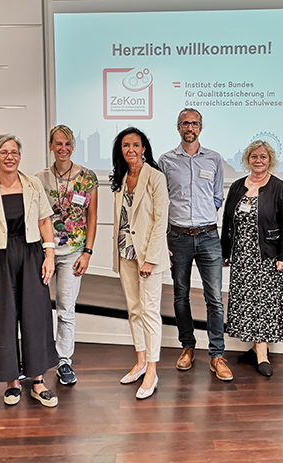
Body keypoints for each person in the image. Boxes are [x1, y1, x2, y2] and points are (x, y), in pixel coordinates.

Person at [0, 134, 60, 408]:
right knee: (3, 318)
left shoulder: (33, 184)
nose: (9, 157)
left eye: (14, 152)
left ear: (20, 156)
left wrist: (50, 255)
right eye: (3, 152)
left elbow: (45, 220)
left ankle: (37, 381)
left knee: (36, 316)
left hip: (32, 253)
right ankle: (11, 381)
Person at [158, 108, 232, 381]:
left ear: (201, 127)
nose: (190, 127)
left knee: (214, 298)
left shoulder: (214, 159)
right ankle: (187, 347)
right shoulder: (165, 161)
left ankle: (217, 355)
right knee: (181, 295)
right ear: (178, 127)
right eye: (185, 123)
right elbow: (160, 200)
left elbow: (216, 197)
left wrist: (201, 217)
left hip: (208, 236)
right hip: (177, 237)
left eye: (195, 123)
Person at [221, 140, 283, 377]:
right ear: (247, 160)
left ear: (270, 160)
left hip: (268, 257)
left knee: (264, 305)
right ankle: (255, 347)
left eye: (263, 157)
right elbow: (227, 221)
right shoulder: (236, 187)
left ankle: (262, 355)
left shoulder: (279, 187)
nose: (258, 161)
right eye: (254, 157)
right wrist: (225, 251)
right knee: (247, 303)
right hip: (242, 257)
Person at [34, 125, 98, 386]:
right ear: (50, 145)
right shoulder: (38, 178)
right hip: (43, 252)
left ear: (73, 146)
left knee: (65, 309)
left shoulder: (87, 177)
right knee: (36, 309)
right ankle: (37, 357)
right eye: (58, 144)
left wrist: (88, 252)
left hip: (73, 252)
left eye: (68, 144)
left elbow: (92, 218)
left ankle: (63, 361)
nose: (63, 149)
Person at [111, 127, 169, 400]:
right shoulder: (122, 178)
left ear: (144, 148)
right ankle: (140, 361)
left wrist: (151, 259)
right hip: (125, 254)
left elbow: (160, 222)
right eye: (126, 145)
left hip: (148, 257)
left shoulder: (155, 178)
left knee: (149, 312)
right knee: (134, 310)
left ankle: (152, 371)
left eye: (136, 144)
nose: (130, 150)